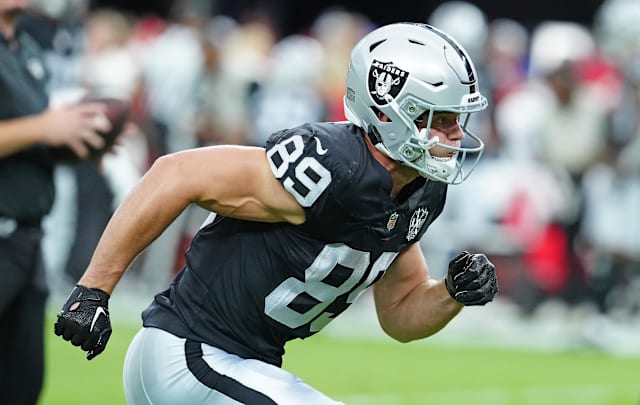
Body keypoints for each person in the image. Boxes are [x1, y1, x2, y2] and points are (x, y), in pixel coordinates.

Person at [54, 22, 499, 404]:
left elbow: (400, 312)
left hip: (241, 366)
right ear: (389, 109)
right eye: (441, 118)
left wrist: (451, 294)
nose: (456, 134)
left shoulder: (419, 192)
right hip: (188, 353)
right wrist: (94, 290)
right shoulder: (332, 164)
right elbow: (175, 174)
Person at [0, 1, 111, 404]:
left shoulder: (25, 47)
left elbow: (32, 142)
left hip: (27, 241)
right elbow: (37, 128)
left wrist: (80, 142)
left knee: (22, 385)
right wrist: (46, 126)